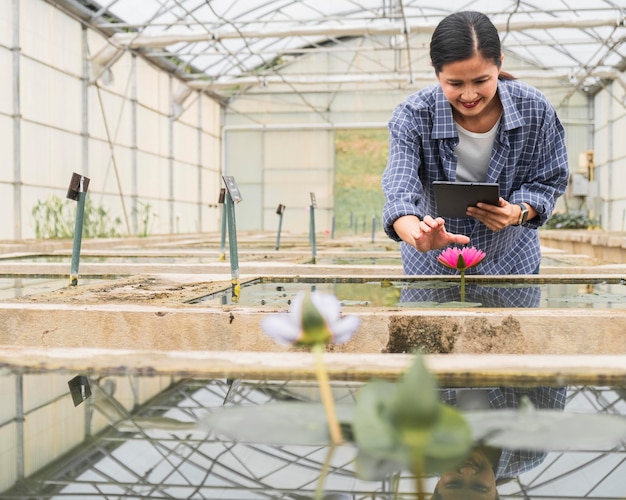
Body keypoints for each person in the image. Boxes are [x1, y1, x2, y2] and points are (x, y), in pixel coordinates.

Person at [382, 11, 569, 276]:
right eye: (454, 83)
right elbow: (400, 190)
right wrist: (417, 234)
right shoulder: (413, 116)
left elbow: (548, 180)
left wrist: (518, 213)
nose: (469, 95)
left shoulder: (534, 110)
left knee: (515, 320)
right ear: (437, 73)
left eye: (481, 81)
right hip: (432, 264)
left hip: (511, 262)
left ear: (499, 64)